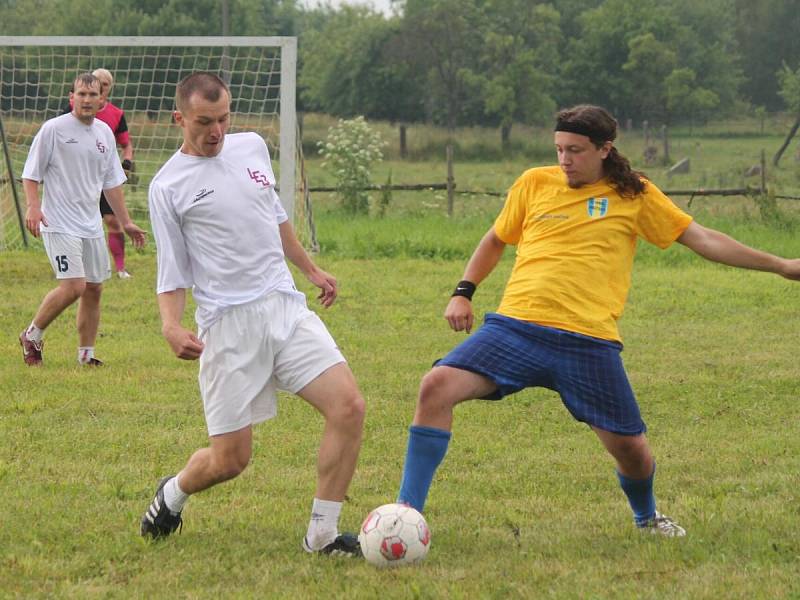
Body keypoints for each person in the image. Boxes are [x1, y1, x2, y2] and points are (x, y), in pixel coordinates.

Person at [396, 104, 800, 537]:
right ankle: (405, 517)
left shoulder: (635, 193)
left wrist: (781, 265)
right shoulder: (534, 183)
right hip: (516, 328)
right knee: (435, 386)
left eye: (575, 150)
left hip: (587, 342)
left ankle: (646, 517)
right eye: (558, 149)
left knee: (632, 450)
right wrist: (463, 291)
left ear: (605, 149)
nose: (564, 160)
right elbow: (496, 239)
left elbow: (702, 238)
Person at [141, 72, 365, 556]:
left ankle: (323, 535)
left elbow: (274, 217)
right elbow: (172, 269)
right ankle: (173, 492)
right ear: (180, 118)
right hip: (228, 327)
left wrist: (310, 269)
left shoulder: (252, 148)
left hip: (284, 308)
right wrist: (171, 324)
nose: (216, 131)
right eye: (204, 122)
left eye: (223, 118)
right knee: (230, 460)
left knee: (348, 406)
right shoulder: (167, 187)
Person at [19, 72, 146, 367]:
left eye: (93, 95)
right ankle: (31, 334)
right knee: (74, 286)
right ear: (71, 97)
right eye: (81, 94)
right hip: (59, 222)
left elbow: (111, 183)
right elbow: (30, 173)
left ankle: (86, 355)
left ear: (102, 100)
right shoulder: (54, 129)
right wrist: (33, 206)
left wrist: (125, 222)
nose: (87, 100)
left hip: (90, 225)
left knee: (94, 288)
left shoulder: (104, 133)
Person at [62, 69, 136, 278]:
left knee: (113, 221)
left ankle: (120, 268)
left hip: (102, 178)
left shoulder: (116, 115)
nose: (101, 86)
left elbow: (125, 144)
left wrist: (127, 162)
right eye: (98, 82)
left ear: (108, 89)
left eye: (105, 84)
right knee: (76, 223)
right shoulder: (70, 110)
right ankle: (72, 266)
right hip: (76, 180)